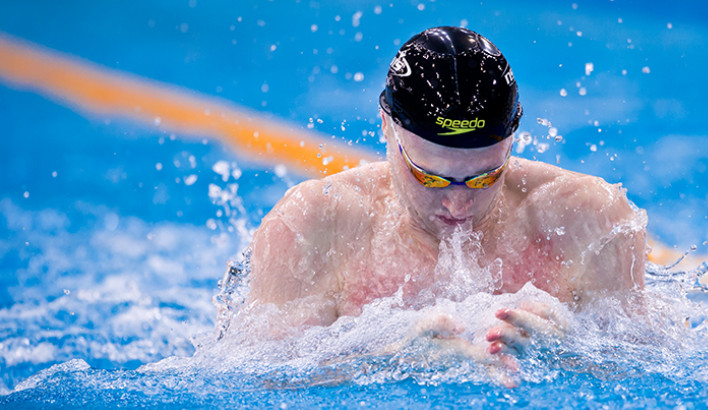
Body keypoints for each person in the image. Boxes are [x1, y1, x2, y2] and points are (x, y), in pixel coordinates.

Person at [246, 26, 646, 359]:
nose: (458, 204)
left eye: (485, 176)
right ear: (386, 125)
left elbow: (657, 357)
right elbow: (251, 379)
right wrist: (383, 357)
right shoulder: (314, 225)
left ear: (512, 142)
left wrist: (577, 349)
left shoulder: (590, 221)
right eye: (431, 177)